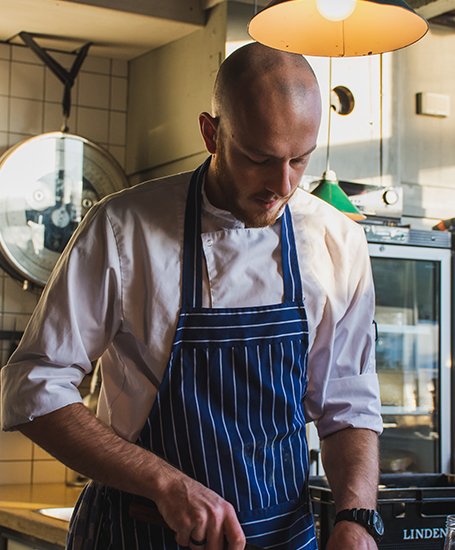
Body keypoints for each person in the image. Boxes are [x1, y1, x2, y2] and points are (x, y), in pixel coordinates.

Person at [1, 42, 382, 550]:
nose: (282, 184)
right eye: (259, 158)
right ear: (211, 133)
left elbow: (348, 405)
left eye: (299, 160)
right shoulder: (123, 228)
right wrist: (166, 484)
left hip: (280, 536)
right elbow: (32, 385)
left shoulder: (336, 241)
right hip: (140, 533)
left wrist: (356, 517)